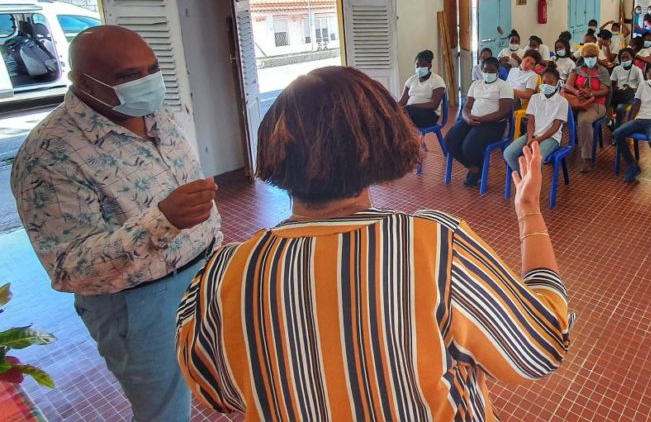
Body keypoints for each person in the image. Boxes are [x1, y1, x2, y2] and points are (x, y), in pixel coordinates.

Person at [177, 68, 573, 419]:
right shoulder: (435, 245)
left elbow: (216, 390)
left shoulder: (224, 272)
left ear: (273, 147)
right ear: (382, 140)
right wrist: (529, 212)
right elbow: (540, 347)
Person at [12, 25, 221, 422]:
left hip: (205, 274)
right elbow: (69, 268)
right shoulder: (49, 155)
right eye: (129, 76)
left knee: (212, 371)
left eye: (152, 69)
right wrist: (162, 221)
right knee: (163, 407)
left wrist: (213, 241)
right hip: (139, 302)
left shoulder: (157, 115)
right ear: (83, 82)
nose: (148, 82)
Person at [445, 57, 514, 186]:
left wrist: (482, 119)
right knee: (450, 140)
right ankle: (476, 167)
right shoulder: (476, 84)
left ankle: (477, 169)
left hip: (494, 124)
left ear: (497, 71)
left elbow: (504, 112)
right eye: (485, 70)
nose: (488, 73)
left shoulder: (504, 86)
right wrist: (467, 117)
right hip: (473, 119)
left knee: (469, 147)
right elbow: (467, 106)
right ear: (481, 69)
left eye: (492, 71)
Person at [614, 63, 651, 182]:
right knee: (617, 133)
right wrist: (630, 121)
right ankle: (632, 165)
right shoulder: (642, 85)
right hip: (640, 119)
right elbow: (636, 104)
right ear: (646, 74)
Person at [504, 65, 569, 172]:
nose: (546, 85)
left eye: (550, 82)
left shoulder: (562, 102)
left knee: (535, 159)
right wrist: (530, 138)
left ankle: (530, 179)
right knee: (508, 154)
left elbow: (555, 127)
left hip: (551, 138)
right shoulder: (535, 98)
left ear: (557, 83)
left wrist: (538, 140)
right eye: (544, 82)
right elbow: (530, 121)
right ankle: (525, 177)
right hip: (532, 134)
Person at [563, 43, 610, 172]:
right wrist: (576, 91)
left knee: (584, 121)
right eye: (587, 56)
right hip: (579, 101)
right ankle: (552, 149)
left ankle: (587, 158)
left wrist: (591, 93)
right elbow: (568, 85)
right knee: (556, 115)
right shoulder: (577, 70)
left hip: (596, 104)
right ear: (583, 57)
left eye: (592, 56)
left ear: (597, 56)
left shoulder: (602, 71)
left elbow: (605, 90)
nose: (590, 59)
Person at [398, 49, 446, 128]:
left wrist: (413, 106)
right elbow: (402, 101)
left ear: (429, 66)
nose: (419, 67)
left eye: (422, 65)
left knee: (404, 113)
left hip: (429, 115)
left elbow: (434, 105)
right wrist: (392, 108)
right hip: (410, 112)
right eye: (417, 65)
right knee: (394, 114)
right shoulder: (411, 80)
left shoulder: (437, 80)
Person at [609, 48, 642, 130]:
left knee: (620, 108)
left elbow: (642, 87)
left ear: (632, 58)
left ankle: (617, 129)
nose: (624, 60)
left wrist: (632, 89)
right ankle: (610, 123)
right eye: (622, 58)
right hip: (619, 94)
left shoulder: (637, 70)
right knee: (607, 104)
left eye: (627, 57)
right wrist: (617, 89)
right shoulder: (616, 69)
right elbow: (612, 84)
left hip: (632, 95)